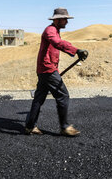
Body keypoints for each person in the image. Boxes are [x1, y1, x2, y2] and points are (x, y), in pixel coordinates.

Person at [25, 7, 88, 136]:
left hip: (46, 68)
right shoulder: (50, 31)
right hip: (47, 69)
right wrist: (76, 50)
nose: (67, 22)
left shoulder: (55, 30)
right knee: (63, 95)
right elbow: (57, 43)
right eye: (65, 19)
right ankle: (64, 127)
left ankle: (30, 126)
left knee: (39, 98)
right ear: (58, 20)